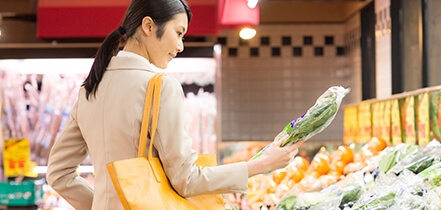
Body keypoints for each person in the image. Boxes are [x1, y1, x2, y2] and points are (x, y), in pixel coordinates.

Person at [46, 0, 303, 209]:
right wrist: (261, 164)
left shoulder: (90, 88)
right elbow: (187, 180)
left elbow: (58, 174)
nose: (180, 46)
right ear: (148, 26)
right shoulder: (160, 86)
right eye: (178, 33)